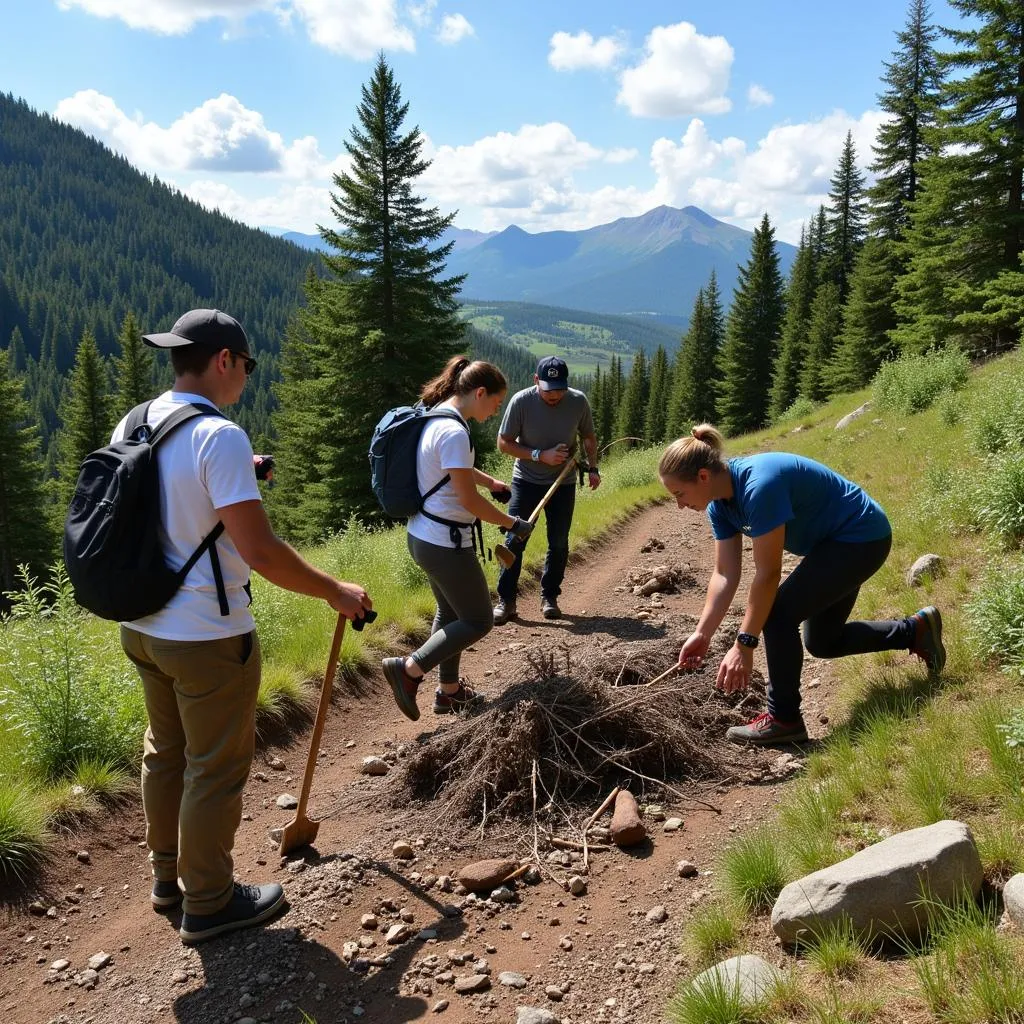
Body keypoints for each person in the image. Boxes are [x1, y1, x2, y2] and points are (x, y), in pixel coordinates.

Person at [116, 309, 372, 944]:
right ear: (225, 360)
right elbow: (259, 552)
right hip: (206, 634)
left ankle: (168, 879)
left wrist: (238, 470)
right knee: (215, 765)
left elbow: (171, 498)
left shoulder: (140, 419)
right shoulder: (218, 436)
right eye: (247, 366)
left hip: (142, 625)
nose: (246, 380)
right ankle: (209, 902)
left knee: (166, 750)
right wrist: (335, 591)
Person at [658, 424, 945, 745]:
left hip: (862, 537)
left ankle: (784, 719)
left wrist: (744, 644)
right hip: (832, 546)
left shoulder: (758, 486)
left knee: (778, 613)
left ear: (702, 476)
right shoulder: (719, 507)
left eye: (678, 494)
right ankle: (916, 631)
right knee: (823, 641)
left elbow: (767, 575)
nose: (679, 505)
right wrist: (703, 633)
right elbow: (725, 574)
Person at [382, 356, 534, 721]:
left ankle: (448, 693)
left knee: (450, 613)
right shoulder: (454, 432)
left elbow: (454, 471)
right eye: (495, 403)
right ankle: (409, 671)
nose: (496, 410)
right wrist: (512, 523)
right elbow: (466, 499)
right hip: (445, 544)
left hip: (422, 536)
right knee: (479, 619)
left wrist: (491, 482)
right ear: (479, 392)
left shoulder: (436, 417)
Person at [492, 356, 600, 624]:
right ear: (536, 381)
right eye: (549, 389)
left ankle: (549, 596)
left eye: (560, 389)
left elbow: (588, 436)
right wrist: (540, 455)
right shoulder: (521, 401)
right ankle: (506, 600)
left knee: (559, 542)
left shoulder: (577, 401)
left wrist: (593, 468)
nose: (554, 395)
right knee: (514, 539)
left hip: (563, 482)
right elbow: (504, 443)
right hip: (526, 480)